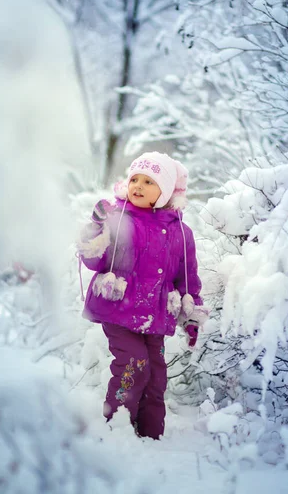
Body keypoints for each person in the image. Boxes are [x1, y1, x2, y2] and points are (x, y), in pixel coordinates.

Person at [77, 151, 208, 440]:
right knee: (133, 364)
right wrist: (97, 227)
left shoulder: (181, 232)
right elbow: (94, 260)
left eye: (148, 181)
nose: (137, 185)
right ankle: (117, 428)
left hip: (155, 316)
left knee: (155, 377)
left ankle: (150, 435)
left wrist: (192, 316)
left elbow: (187, 278)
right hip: (119, 310)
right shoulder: (119, 220)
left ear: (164, 192)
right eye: (134, 178)